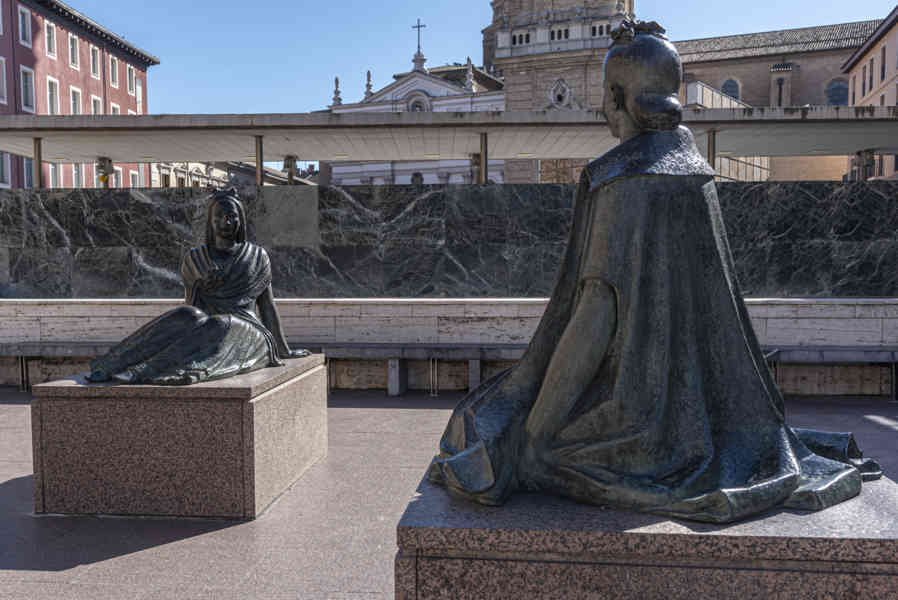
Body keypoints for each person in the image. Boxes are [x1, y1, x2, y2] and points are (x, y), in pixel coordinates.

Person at [427, 21, 880, 523]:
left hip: (638, 417)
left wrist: (538, 431)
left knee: (488, 427)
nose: (602, 107)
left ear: (619, 99)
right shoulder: (695, 176)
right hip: (701, 410)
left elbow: (597, 315)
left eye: (605, 94)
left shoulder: (623, 180)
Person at [87, 188, 308, 385]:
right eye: (220, 216)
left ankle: (147, 370)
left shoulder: (257, 256)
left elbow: (267, 306)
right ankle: (113, 363)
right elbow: (193, 313)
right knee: (185, 314)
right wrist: (200, 286)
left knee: (221, 322)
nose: (226, 222)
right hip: (207, 328)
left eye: (232, 216)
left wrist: (283, 349)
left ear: (240, 220)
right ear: (210, 222)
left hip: (247, 331)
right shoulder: (196, 258)